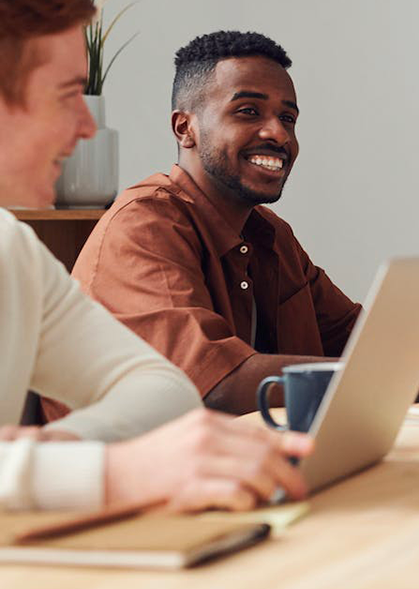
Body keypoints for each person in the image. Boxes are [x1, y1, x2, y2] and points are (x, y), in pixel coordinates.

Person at [67, 31, 419, 416]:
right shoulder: (144, 226)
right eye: (248, 111)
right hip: (134, 496)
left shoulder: (270, 235)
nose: (279, 133)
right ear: (184, 128)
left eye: (288, 117)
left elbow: (355, 340)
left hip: (249, 469)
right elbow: (214, 384)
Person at [0, 0, 311, 512]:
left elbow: (165, 393)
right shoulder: (144, 220)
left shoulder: (16, 254)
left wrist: (49, 460)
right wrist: (105, 472)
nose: (86, 126)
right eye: (66, 95)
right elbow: (206, 385)